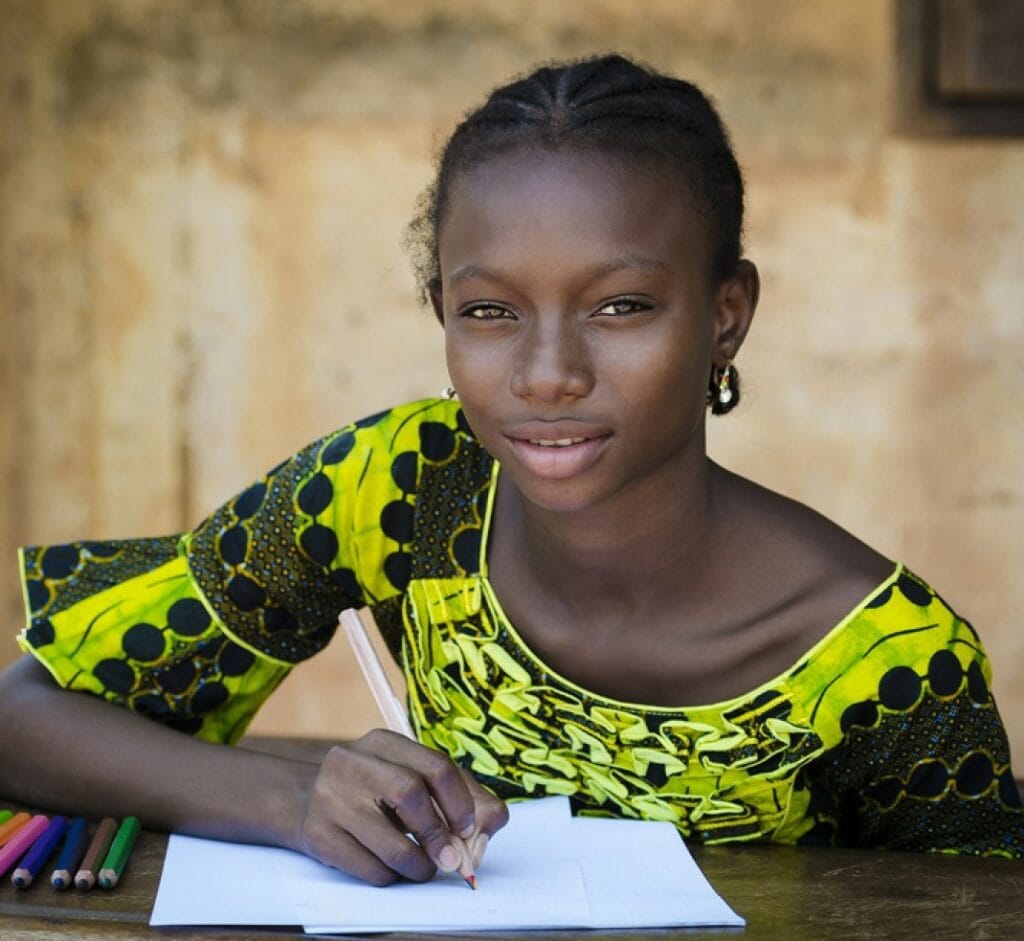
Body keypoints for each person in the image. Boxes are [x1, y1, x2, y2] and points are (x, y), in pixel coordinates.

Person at [1, 54, 1021, 886]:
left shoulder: (888, 661)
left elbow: (980, 911)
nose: (547, 375)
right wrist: (286, 798)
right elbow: (24, 718)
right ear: (442, 311)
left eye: (619, 306)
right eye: (489, 311)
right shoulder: (404, 489)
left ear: (725, 314)